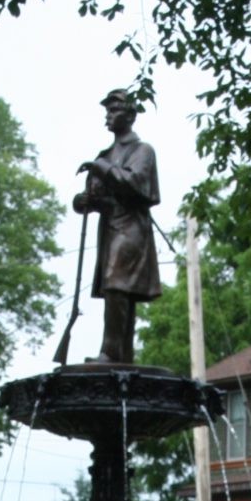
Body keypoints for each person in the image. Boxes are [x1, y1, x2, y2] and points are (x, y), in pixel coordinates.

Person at [73, 89, 161, 363]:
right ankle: (123, 355)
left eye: (114, 111)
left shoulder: (142, 150)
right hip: (110, 228)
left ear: (131, 115)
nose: (108, 118)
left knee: (117, 284)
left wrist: (102, 168)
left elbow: (137, 185)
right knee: (120, 292)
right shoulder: (106, 154)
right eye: (107, 112)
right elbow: (94, 197)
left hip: (132, 228)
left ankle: (110, 352)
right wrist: (84, 201)